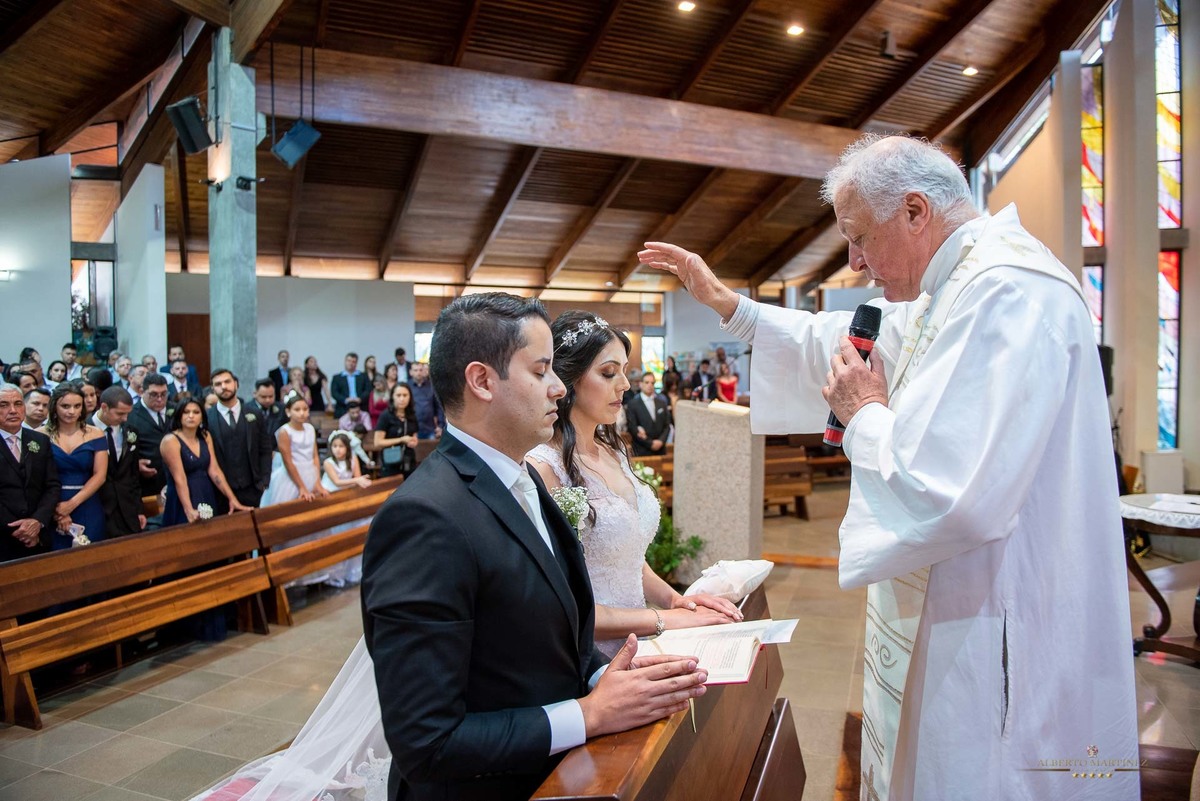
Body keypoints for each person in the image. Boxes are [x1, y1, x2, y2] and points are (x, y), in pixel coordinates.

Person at [638, 134, 1139, 801]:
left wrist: (867, 415)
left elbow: (956, 493)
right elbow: (847, 342)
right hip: (969, 602)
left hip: (1002, 615)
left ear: (914, 211)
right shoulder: (956, 288)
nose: (856, 261)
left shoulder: (1006, 291)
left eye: (859, 236)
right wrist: (731, 305)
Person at [363, 293, 708, 801]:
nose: (558, 387)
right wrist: (589, 713)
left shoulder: (522, 477)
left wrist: (607, 674)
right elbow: (426, 742)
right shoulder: (424, 519)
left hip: (560, 772)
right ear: (482, 381)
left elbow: (548, 629)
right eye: (542, 370)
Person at [528, 311, 738, 657]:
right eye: (609, 373)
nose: (624, 384)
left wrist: (677, 600)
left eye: (624, 371)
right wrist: (664, 619)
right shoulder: (545, 470)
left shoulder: (613, 453)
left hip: (639, 637)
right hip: (589, 657)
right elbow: (564, 605)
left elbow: (626, 560)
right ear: (569, 379)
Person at [160, 398, 249, 526]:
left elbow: (214, 470)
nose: (191, 416)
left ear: (202, 416)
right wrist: (188, 509)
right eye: (186, 412)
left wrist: (232, 499)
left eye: (196, 412)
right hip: (182, 496)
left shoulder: (205, 435)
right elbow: (179, 478)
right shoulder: (170, 440)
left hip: (205, 490)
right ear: (179, 415)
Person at [0, 384, 60, 562]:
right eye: (3, 405)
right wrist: (20, 530)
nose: (12, 410)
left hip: (38, 535)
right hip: (3, 536)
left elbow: (52, 485)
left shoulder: (39, 440)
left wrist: (37, 521)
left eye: (18, 404)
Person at [46, 384, 108, 548]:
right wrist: (57, 510)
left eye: (77, 406)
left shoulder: (96, 434)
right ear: (55, 406)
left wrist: (71, 504)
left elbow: (100, 475)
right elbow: (36, 477)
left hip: (87, 500)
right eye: (65, 406)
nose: (71, 411)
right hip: (50, 503)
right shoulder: (40, 434)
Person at [206, 369, 273, 511]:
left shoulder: (254, 413)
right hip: (221, 490)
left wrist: (264, 480)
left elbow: (265, 448)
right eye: (218, 384)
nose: (224, 386)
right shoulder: (207, 418)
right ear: (213, 389)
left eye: (227, 382)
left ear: (236, 384)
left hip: (252, 487)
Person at [92, 386, 145, 536]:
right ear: (104, 407)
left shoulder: (131, 431)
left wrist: (138, 509)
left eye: (128, 414)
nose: (125, 419)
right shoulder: (85, 429)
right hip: (98, 506)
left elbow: (133, 474)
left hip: (127, 509)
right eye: (120, 414)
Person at [260, 395, 327, 506]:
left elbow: (314, 455)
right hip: (290, 476)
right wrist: (302, 487)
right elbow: (288, 461)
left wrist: (318, 481)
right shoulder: (285, 431)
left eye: (305, 409)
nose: (302, 413)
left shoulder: (310, 428)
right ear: (288, 411)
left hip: (310, 473)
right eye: (297, 409)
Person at [127, 373, 173, 501]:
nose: (159, 399)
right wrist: (135, 464)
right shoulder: (130, 416)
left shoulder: (175, 410)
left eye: (164, 394)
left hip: (174, 478)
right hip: (148, 483)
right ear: (142, 391)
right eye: (154, 394)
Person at [623, 371, 671, 457]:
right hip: (642, 450)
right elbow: (632, 427)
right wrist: (650, 443)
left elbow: (667, 425)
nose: (650, 385)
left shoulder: (661, 403)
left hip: (660, 450)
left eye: (652, 383)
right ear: (640, 384)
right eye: (647, 382)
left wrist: (660, 441)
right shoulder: (632, 404)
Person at [374, 383, 417, 478]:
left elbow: (414, 435)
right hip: (391, 461)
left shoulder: (412, 415)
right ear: (392, 397)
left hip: (408, 460)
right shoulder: (385, 416)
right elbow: (377, 442)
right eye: (398, 395)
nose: (402, 399)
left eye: (405, 395)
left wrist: (413, 441)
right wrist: (401, 440)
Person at [408, 361, 444, 440]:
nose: (419, 373)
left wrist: (441, 425)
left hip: (430, 428)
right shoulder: (407, 387)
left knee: (429, 450)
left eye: (420, 370)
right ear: (411, 372)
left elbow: (439, 407)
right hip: (412, 429)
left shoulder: (431, 386)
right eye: (416, 370)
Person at [330, 352, 369, 417]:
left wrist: (360, 399)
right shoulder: (337, 377)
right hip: (343, 408)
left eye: (353, 361)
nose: (351, 363)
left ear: (356, 363)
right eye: (349, 361)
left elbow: (368, 390)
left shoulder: (363, 376)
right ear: (345, 361)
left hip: (360, 407)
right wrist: (345, 400)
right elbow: (334, 393)